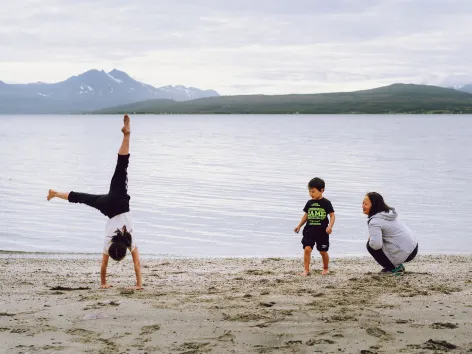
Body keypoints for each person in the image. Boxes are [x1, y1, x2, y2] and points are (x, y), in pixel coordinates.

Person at [47, 114, 143, 290]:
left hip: (119, 202)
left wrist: (139, 284)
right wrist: (104, 283)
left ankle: (127, 134)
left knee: (122, 166)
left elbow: (137, 264)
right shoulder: (109, 244)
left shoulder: (129, 240)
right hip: (107, 205)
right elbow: (104, 267)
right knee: (82, 197)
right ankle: (54, 193)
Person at [363, 192, 418, 274]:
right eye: (363, 203)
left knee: (370, 245)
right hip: (414, 247)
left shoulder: (375, 221)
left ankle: (392, 268)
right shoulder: (387, 213)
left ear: (374, 206)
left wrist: (371, 239)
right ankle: (396, 264)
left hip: (406, 252)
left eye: (366, 204)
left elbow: (376, 245)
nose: (363, 206)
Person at [294, 177, 335, 276]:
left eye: (313, 191)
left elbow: (332, 215)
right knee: (307, 249)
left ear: (322, 190)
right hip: (309, 230)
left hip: (322, 232)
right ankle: (306, 270)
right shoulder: (309, 203)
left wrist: (330, 226)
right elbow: (306, 215)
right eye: (309, 191)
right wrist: (299, 225)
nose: (311, 194)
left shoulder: (326, 202)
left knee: (323, 251)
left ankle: (325, 268)